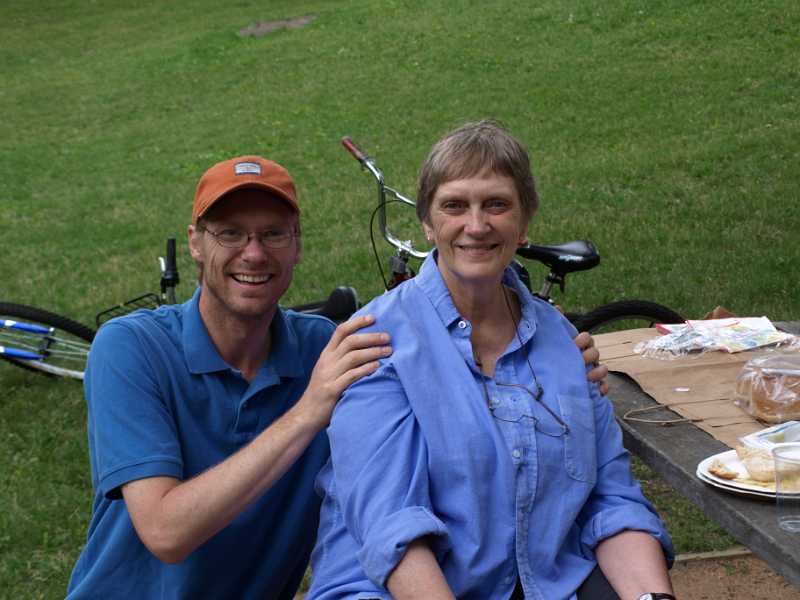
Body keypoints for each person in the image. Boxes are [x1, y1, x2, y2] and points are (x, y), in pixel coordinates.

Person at [66, 154, 609, 598]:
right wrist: (308, 411)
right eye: (230, 233)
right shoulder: (130, 348)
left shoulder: (332, 346)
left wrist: (553, 362)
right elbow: (165, 532)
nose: (253, 253)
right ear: (195, 242)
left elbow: (454, 382)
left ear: (298, 244)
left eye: (273, 234)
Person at [307, 121, 676, 600]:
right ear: (427, 222)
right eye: (454, 205)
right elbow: (391, 526)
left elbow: (610, 500)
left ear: (523, 224)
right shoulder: (378, 342)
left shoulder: (562, 343)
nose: (476, 225)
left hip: (541, 582)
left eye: (497, 204)